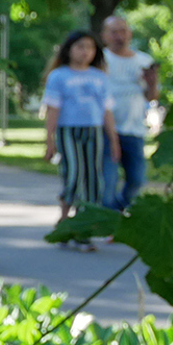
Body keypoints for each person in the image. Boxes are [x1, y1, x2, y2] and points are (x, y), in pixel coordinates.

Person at [40, 30, 120, 252]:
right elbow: (53, 110)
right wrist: (49, 140)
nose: (85, 52)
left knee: (93, 180)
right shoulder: (59, 76)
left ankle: (83, 229)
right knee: (74, 174)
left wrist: (114, 140)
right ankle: (65, 220)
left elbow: (107, 111)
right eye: (80, 47)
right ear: (69, 49)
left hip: (93, 131)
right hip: (69, 131)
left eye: (90, 48)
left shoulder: (99, 77)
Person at [100, 16, 159, 213]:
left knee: (137, 180)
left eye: (123, 31)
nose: (120, 36)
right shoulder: (99, 60)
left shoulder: (144, 61)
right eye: (114, 32)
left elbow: (152, 97)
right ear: (104, 35)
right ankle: (110, 219)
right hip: (105, 130)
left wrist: (152, 83)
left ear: (130, 33)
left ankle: (116, 211)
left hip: (134, 129)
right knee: (107, 182)